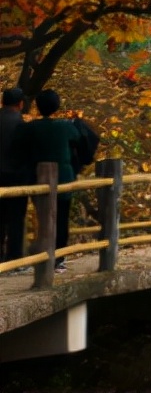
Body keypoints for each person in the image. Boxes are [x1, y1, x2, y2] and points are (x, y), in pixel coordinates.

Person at [14, 89, 84, 272]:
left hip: (38, 178)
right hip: (64, 178)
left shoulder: (30, 128)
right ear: (57, 106)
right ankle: (58, 258)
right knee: (62, 219)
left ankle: (44, 255)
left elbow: (18, 144)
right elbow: (78, 140)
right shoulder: (66, 126)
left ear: (38, 106)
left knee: (44, 218)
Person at [0, 87, 27, 263]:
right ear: (20, 103)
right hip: (17, 177)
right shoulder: (21, 124)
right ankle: (15, 258)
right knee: (16, 219)